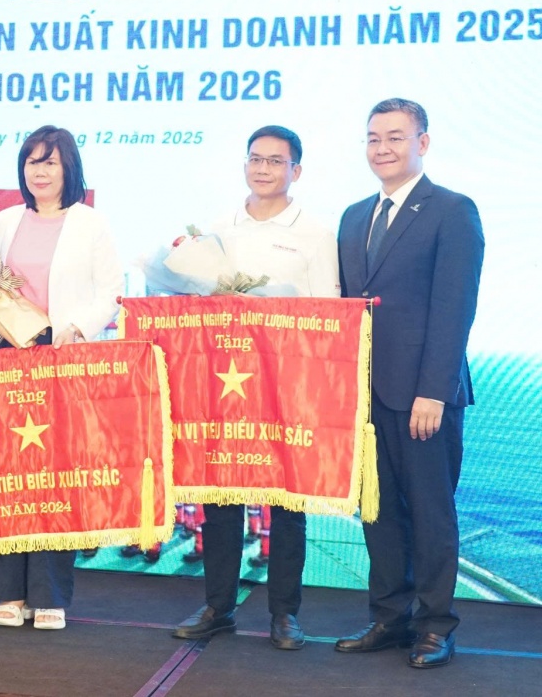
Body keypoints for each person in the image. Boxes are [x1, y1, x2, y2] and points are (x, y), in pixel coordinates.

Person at [171, 125, 340, 649]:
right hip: (225, 385)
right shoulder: (218, 230)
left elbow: (328, 314)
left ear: (296, 170)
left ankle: (284, 615)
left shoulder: (315, 234)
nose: (263, 169)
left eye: (275, 161)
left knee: (288, 502)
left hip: (288, 385)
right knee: (221, 496)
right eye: (255, 159)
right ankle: (218, 607)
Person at [333, 98, 483, 668]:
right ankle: (390, 618)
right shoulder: (353, 217)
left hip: (424, 395)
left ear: (422, 143)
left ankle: (436, 626)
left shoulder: (452, 210)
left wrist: (433, 392)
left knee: (430, 513)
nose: (383, 149)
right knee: (378, 513)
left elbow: (454, 308)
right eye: (373, 138)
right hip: (366, 394)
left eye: (395, 137)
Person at [0, 124, 123, 631]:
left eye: (49, 162)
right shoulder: (4, 221)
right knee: (8, 474)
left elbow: (111, 291)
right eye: (31, 162)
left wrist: (77, 327)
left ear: (69, 169)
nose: (39, 172)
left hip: (64, 356)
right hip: (10, 355)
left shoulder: (91, 223)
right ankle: (8, 591)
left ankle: (50, 595)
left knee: (55, 477)